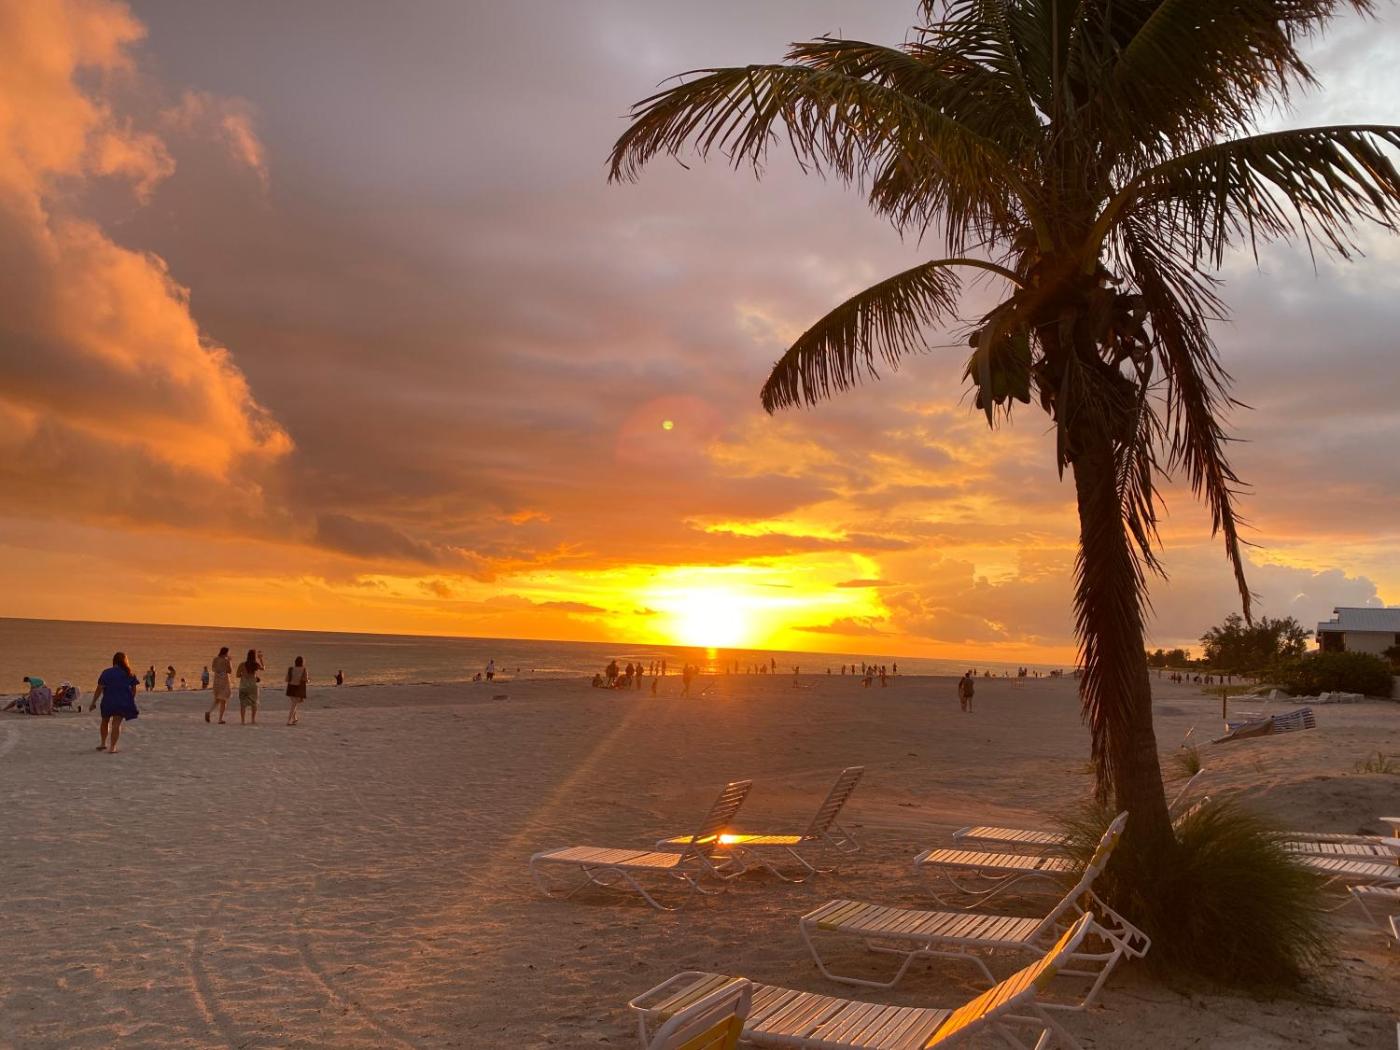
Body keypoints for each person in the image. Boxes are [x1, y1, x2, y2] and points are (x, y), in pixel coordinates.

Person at [91, 652, 139, 752]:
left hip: (108, 701)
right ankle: (112, 747)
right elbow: (134, 690)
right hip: (121, 702)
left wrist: (93, 702)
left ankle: (103, 743)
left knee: (105, 722)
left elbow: (99, 688)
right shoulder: (129, 673)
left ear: (114, 661)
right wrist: (129, 700)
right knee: (116, 724)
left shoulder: (106, 672)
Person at [236, 648, 264, 725]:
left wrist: (244, 675)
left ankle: (243, 721)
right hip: (253, 686)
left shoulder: (242, 664)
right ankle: (253, 720)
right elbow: (263, 668)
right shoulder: (256, 664)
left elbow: (237, 675)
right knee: (254, 703)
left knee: (243, 704)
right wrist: (261, 659)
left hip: (243, 686)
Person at [207, 647, 233, 723]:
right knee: (224, 701)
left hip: (217, 681)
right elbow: (230, 671)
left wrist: (219, 671)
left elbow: (213, 669)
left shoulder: (215, 659)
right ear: (226, 653)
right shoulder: (226, 661)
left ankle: (209, 712)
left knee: (217, 699)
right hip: (224, 681)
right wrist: (230, 661)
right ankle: (220, 719)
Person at [285, 656, 309, 726]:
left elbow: (286, 679)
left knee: (293, 704)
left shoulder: (290, 669)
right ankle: (289, 720)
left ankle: (295, 718)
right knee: (294, 705)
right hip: (298, 688)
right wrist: (308, 680)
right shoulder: (304, 669)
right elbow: (305, 679)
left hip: (290, 687)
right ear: (302, 662)